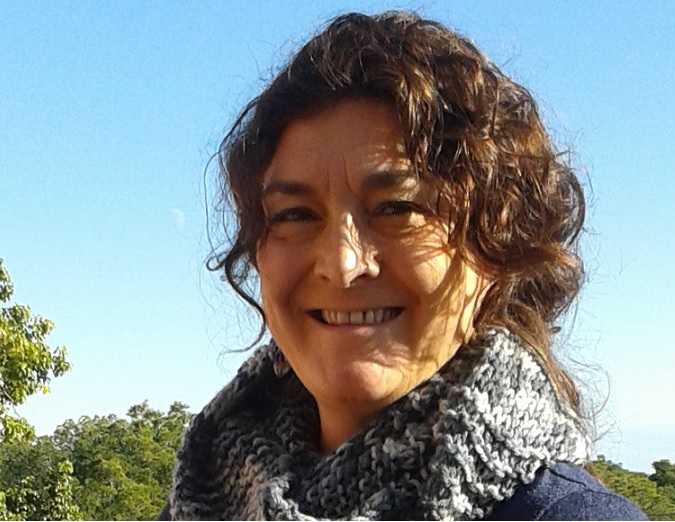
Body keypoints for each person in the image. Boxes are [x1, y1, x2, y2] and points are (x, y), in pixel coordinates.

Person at [161, 11, 647, 521]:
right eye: (295, 215)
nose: (343, 264)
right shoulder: (206, 492)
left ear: (496, 246)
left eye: (398, 208)